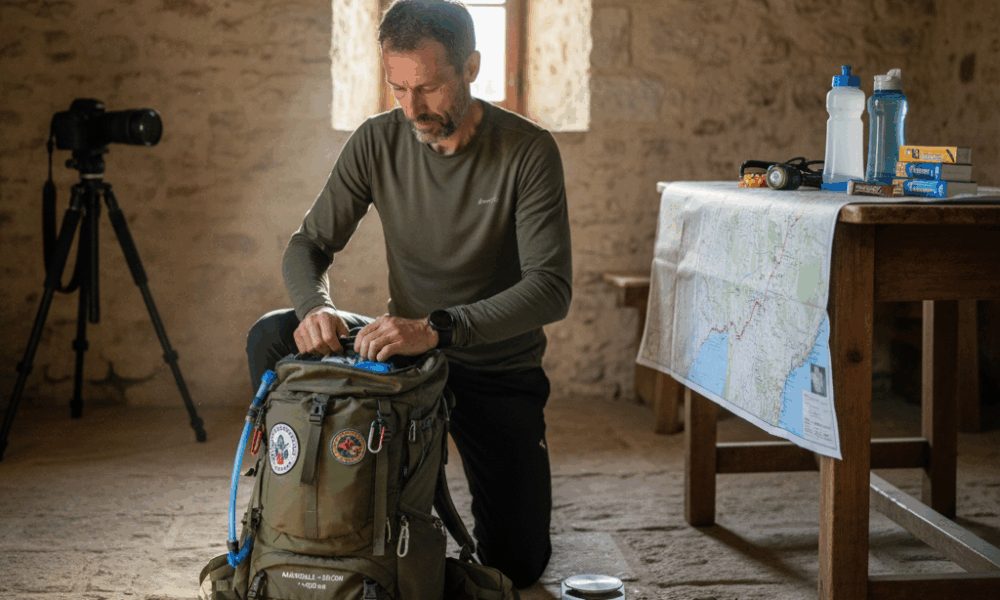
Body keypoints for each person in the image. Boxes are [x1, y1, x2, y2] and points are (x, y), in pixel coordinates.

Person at [245, 0, 572, 588]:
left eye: (428, 87)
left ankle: (406, 532)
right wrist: (314, 307)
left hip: (495, 368)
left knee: (518, 565)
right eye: (398, 88)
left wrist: (438, 328)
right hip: (405, 361)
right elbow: (307, 246)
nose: (412, 108)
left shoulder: (528, 150)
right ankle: (296, 503)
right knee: (273, 334)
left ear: (470, 67)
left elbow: (550, 290)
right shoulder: (377, 140)